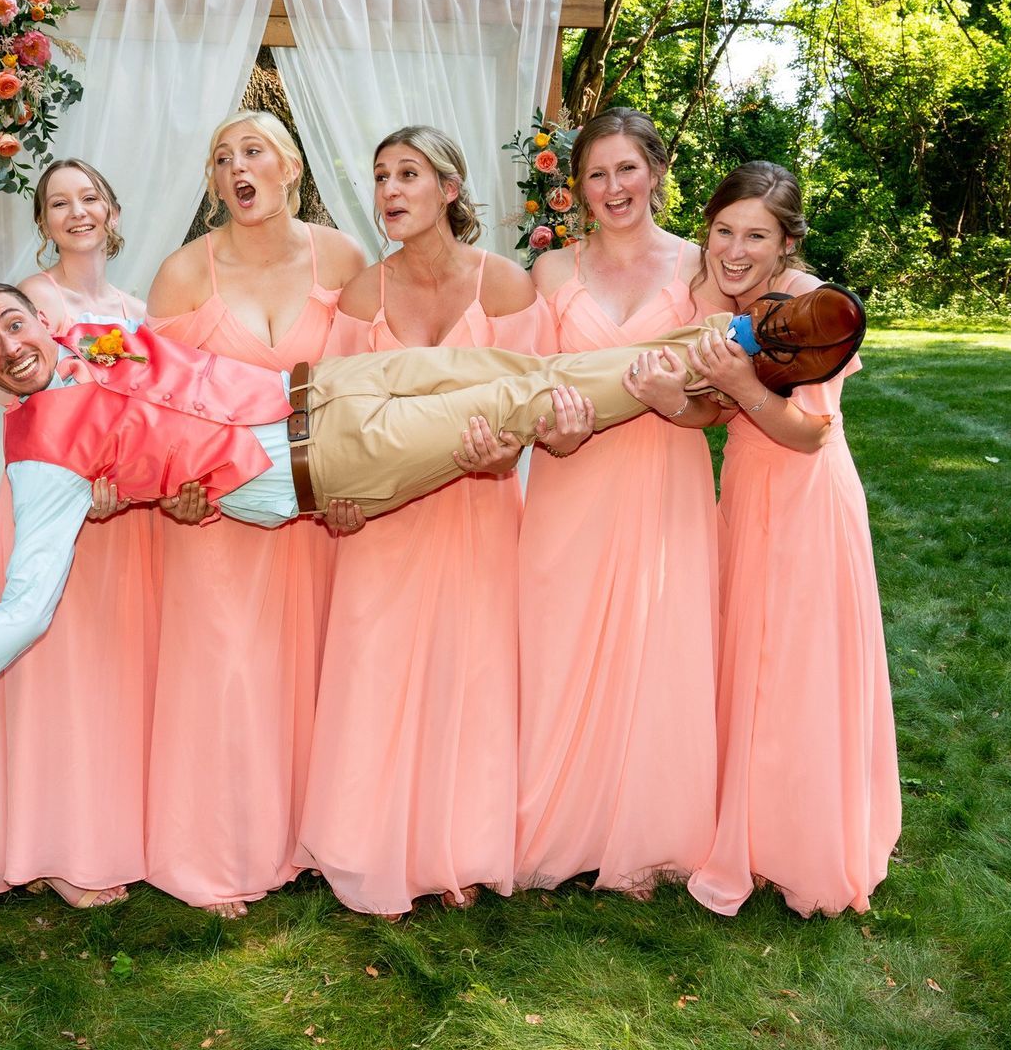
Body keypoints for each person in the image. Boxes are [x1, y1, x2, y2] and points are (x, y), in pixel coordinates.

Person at [0, 283, 729, 795]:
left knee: (523, 369)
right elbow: (25, 604)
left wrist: (146, 488)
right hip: (320, 460)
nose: (8, 343)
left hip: (326, 384)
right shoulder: (40, 457)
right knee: (520, 406)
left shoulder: (97, 337)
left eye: (12, 322)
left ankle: (721, 345)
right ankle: (731, 357)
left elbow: (172, 383)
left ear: (38, 320)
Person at [300, 125, 559, 917]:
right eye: (380, 176)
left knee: (472, 672)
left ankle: (466, 849)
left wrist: (501, 456)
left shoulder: (507, 288)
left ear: (450, 189)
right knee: (374, 673)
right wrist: (340, 497)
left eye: (408, 174)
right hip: (382, 522)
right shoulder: (360, 298)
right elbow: (333, 415)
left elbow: (539, 397)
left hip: (481, 508)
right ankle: (363, 844)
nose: (390, 192)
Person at [128, 111, 366, 918]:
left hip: (316, 505)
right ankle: (219, 853)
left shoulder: (340, 258)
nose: (237, 166)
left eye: (252, 151)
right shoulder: (183, 274)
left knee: (313, 672)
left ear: (291, 167)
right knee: (227, 675)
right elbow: (155, 404)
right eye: (220, 156)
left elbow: (368, 381)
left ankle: (311, 838)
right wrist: (176, 487)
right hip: (217, 511)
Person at [514, 108, 728, 901]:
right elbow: (529, 390)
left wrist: (679, 404)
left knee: (658, 642)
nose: (613, 188)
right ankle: (559, 826)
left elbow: (722, 404)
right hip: (574, 476)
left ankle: (649, 833)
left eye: (627, 170)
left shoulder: (701, 268)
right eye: (596, 174)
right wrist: (555, 436)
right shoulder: (551, 275)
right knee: (560, 640)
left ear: (657, 173)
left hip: (666, 473)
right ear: (575, 189)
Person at [683, 161, 901, 917]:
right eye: (723, 230)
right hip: (748, 488)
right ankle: (751, 828)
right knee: (750, 660)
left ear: (785, 244)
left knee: (800, 667)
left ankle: (805, 843)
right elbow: (715, 415)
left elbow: (808, 431)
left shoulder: (813, 309)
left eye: (756, 235)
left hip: (807, 497)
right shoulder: (719, 301)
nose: (735, 249)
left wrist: (741, 385)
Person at [0, 160, 154, 907]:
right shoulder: (30, 303)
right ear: (41, 224)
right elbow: (10, 400)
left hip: (112, 510)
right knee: (49, 675)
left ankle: (101, 829)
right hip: (45, 508)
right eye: (58, 203)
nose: (77, 212)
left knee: (101, 675)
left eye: (90, 197)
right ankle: (50, 849)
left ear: (113, 209)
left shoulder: (132, 307)